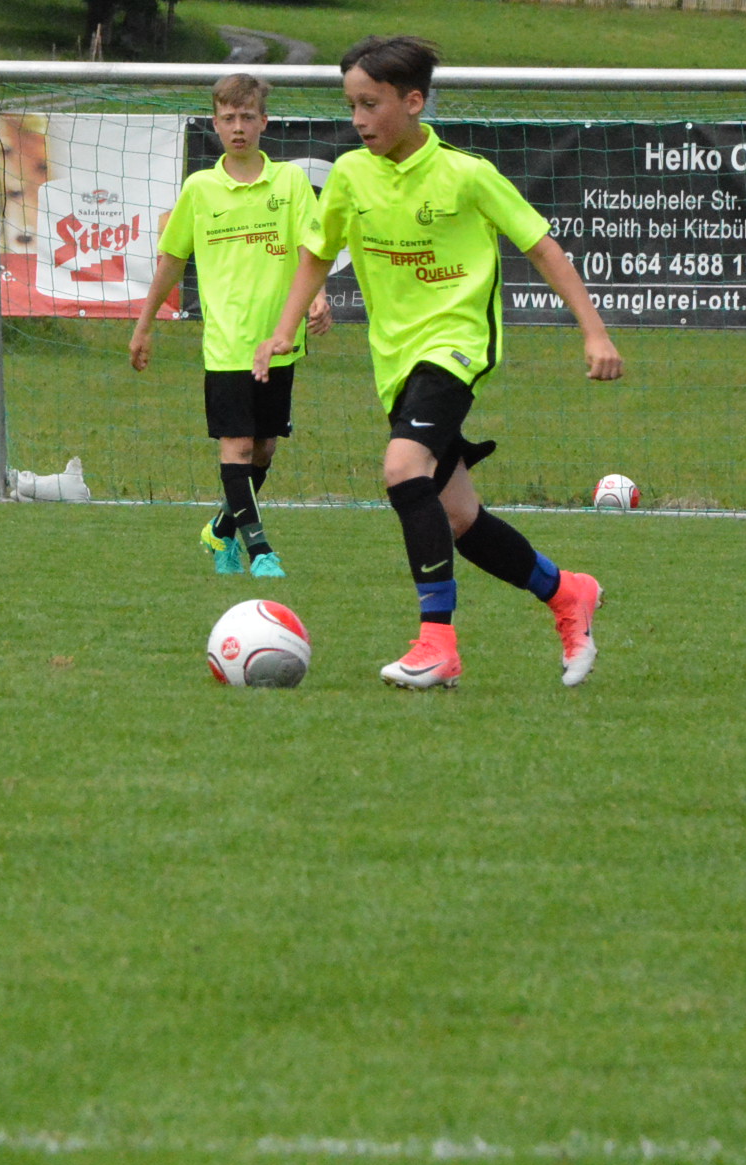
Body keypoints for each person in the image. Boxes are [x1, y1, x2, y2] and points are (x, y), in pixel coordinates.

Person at [253, 35, 621, 689]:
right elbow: (316, 253)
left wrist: (594, 333)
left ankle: (437, 644)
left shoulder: (467, 175)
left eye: (371, 104)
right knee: (457, 518)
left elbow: (542, 247)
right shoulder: (350, 176)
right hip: (395, 362)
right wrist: (283, 331)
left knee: (402, 468)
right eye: (351, 105)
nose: (358, 119)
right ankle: (568, 592)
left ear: (414, 101)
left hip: (457, 346)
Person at [129, 72, 332, 578]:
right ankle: (260, 551)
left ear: (264, 121)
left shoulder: (289, 183)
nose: (237, 127)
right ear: (215, 124)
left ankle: (220, 529)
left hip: (279, 341)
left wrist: (319, 296)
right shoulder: (200, 189)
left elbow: (312, 250)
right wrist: (145, 324)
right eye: (227, 118)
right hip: (226, 343)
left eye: (246, 117)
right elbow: (172, 260)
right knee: (238, 446)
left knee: (263, 449)